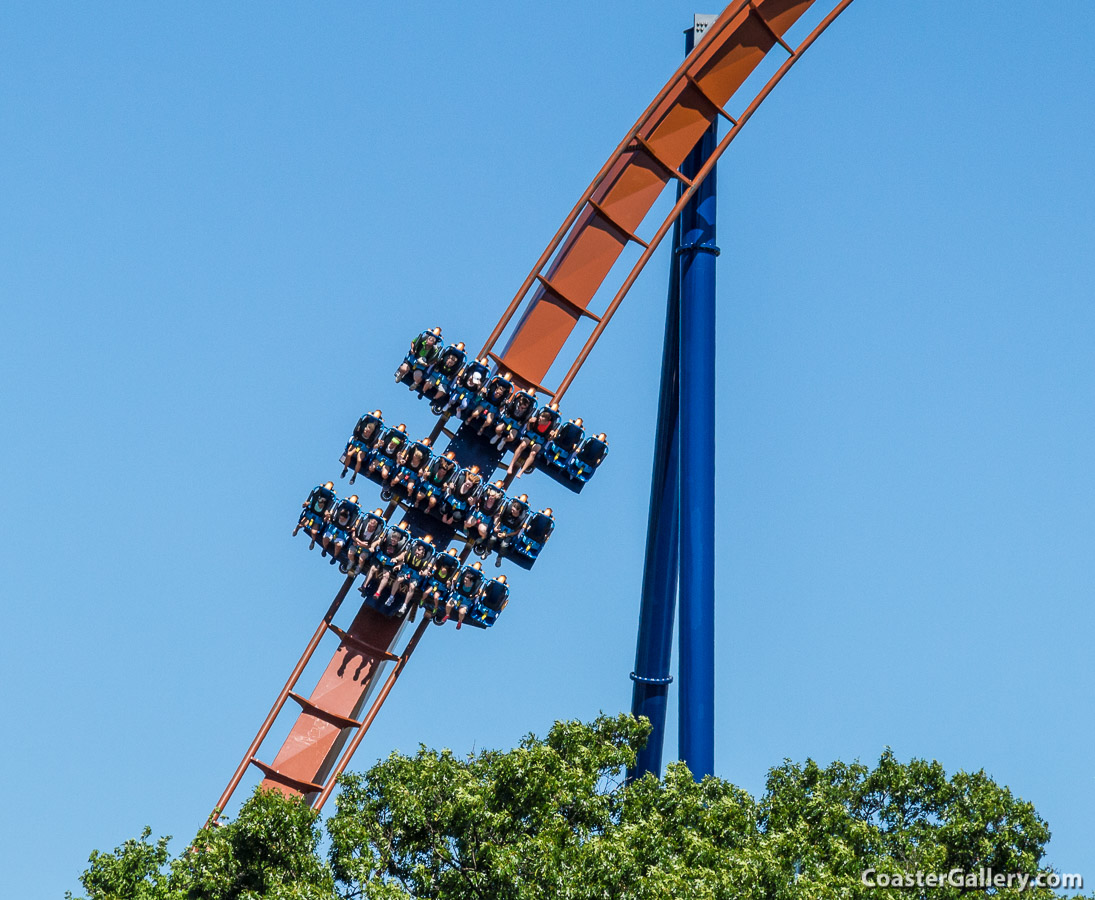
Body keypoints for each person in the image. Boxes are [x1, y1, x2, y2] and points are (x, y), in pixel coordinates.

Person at [506, 402, 560, 477]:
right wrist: (529, 422)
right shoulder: (538, 417)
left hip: (540, 439)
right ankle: (511, 465)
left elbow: (548, 438)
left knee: (533, 453)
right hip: (531, 434)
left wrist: (552, 436)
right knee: (523, 445)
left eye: (541, 420)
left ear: (546, 421)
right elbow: (528, 429)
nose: (539, 421)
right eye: (539, 419)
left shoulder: (552, 425)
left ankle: (521, 471)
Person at [361, 523, 409, 601]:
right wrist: (372, 547)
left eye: (395, 540)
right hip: (381, 556)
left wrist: (396, 559)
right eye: (392, 539)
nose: (393, 541)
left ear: (398, 540)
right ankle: (364, 585)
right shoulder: (387, 537)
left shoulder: (403, 544)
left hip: (390, 561)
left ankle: (378, 593)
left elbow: (403, 555)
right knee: (373, 569)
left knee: (386, 575)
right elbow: (377, 542)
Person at [341, 411, 384, 484]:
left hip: (364, 447)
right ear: (364, 429)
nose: (367, 433)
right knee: (348, 454)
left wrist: (379, 444)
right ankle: (345, 469)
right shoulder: (364, 424)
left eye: (369, 433)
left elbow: (373, 445)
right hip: (357, 442)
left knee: (359, 460)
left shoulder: (373, 436)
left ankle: (354, 475)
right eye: (366, 431)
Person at [396, 536, 435, 617]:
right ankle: (392, 597)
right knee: (398, 579)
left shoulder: (429, 557)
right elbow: (404, 556)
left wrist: (424, 573)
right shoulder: (413, 548)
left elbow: (428, 569)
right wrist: (398, 562)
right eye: (417, 551)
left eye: (420, 552)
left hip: (416, 575)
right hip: (407, 570)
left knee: (412, 586)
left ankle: (404, 606)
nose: (417, 553)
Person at [464, 479, 506, 552]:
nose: (490, 499)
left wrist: (496, 525)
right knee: (469, 523)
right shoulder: (484, 495)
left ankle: (483, 537)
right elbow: (475, 501)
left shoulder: (498, 504)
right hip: (478, 512)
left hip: (486, 518)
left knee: (482, 530)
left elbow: (496, 516)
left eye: (493, 499)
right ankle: (465, 527)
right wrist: (472, 501)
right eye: (490, 497)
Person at [420, 548, 460, 621]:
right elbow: (434, 570)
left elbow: (449, 586)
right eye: (443, 570)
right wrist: (430, 573)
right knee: (426, 592)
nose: (443, 572)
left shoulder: (449, 575)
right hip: (433, 583)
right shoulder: (438, 569)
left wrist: (448, 584)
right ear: (441, 568)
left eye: (445, 571)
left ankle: (436, 607)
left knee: (436, 597)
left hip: (440, 588)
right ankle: (422, 600)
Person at [490, 493, 530, 565]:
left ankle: (499, 557)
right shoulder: (508, 509)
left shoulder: (521, 517)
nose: (512, 511)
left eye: (513, 511)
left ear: (519, 510)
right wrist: (497, 527)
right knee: (492, 539)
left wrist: (506, 535)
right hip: (501, 527)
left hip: (510, 533)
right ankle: (487, 550)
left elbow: (517, 531)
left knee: (504, 545)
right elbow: (500, 518)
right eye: (512, 510)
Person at [294, 482, 337, 549]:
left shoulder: (328, 501)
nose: (320, 506)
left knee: (314, 532)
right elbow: (306, 504)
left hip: (318, 518)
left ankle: (313, 541)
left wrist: (327, 515)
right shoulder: (316, 496)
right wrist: (305, 504)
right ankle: (296, 529)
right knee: (301, 524)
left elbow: (327, 512)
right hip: (310, 513)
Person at [425, 342, 466, 409]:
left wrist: (452, 377)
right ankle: (423, 390)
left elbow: (457, 370)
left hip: (447, 377)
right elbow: (441, 358)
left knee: (443, 389)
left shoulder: (460, 358)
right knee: (430, 379)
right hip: (439, 371)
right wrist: (437, 367)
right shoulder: (450, 351)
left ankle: (435, 399)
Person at [321, 494, 360, 563]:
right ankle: (324, 548)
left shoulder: (354, 513)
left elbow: (355, 524)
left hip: (343, 532)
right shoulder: (341, 506)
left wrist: (351, 528)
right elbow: (332, 512)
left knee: (338, 544)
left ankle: (335, 556)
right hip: (333, 527)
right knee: (326, 538)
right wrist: (329, 515)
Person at [345, 508, 385, 575]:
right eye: (369, 526)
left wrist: (369, 546)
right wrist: (360, 542)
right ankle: (351, 561)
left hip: (366, 548)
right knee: (350, 553)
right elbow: (353, 535)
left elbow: (376, 542)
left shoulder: (378, 532)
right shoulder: (362, 525)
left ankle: (359, 567)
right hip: (357, 543)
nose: (370, 528)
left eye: (372, 528)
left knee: (361, 558)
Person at [447, 561, 485, 629]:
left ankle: (460, 621)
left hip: (466, 601)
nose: (465, 582)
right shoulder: (464, 577)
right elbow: (456, 580)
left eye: (466, 581)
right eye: (464, 580)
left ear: (471, 581)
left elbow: (480, 593)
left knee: (462, 612)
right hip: (457, 596)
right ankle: (447, 614)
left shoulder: (475, 585)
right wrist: (452, 582)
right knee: (449, 605)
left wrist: (478, 595)